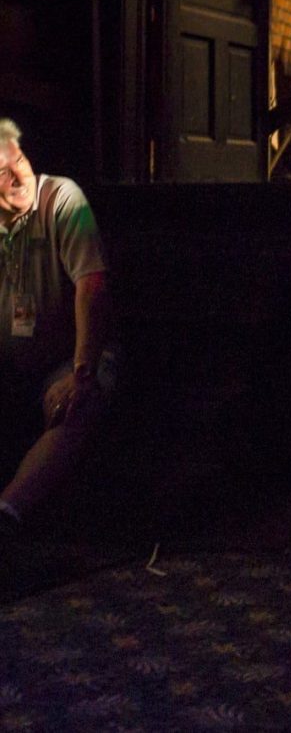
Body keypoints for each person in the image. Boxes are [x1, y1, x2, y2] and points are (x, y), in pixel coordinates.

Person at [0, 118, 114, 588]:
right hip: (10, 365)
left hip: (69, 358)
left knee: (77, 401)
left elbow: (93, 284)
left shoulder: (63, 199)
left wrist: (81, 370)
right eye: (1, 174)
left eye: (18, 162)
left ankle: (4, 517)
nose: (17, 176)